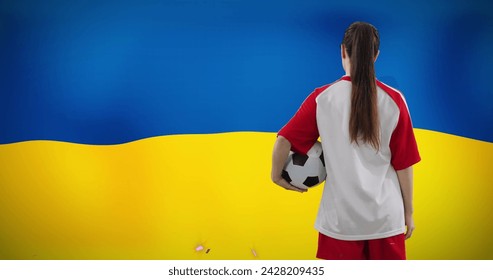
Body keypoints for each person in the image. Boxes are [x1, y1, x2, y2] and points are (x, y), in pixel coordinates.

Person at [271, 22, 421, 260]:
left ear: (343, 51)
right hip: (386, 220)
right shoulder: (394, 100)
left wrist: (276, 176)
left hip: (339, 223)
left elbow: (283, 141)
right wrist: (409, 212)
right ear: (376, 55)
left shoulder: (323, 99)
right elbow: (404, 164)